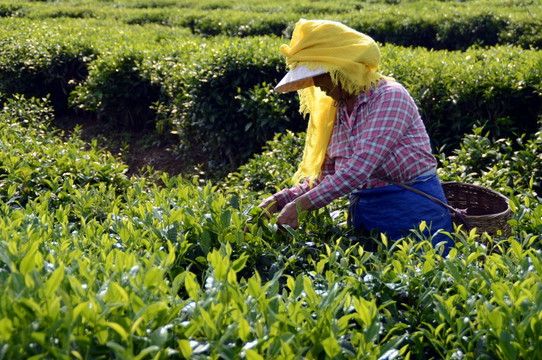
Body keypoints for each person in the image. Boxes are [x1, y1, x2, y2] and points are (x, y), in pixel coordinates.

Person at [257, 19, 454, 255]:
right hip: (366, 220)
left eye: (321, 75)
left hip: (413, 214)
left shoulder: (390, 97)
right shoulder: (339, 110)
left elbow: (359, 168)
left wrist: (299, 206)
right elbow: (329, 176)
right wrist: (279, 200)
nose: (318, 85)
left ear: (342, 69)